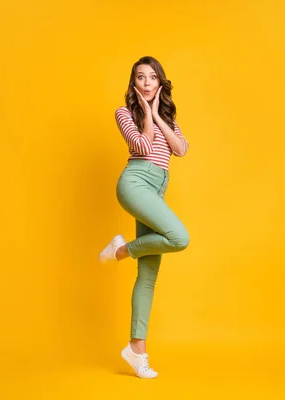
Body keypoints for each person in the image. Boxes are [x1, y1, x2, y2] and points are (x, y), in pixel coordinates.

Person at [99, 56, 190, 379]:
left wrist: (155, 113)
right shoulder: (124, 113)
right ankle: (122, 250)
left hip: (157, 189)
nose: (148, 82)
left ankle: (136, 350)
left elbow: (180, 149)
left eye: (153, 78)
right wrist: (145, 115)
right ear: (134, 84)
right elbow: (141, 145)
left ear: (160, 83)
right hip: (136, 183)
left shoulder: (165, 115)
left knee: (148, 274)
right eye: (141, 77)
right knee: (179, 238)